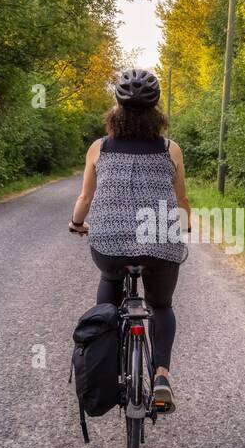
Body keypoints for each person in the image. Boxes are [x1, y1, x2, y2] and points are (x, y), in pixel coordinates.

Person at [69, 68, 190, 413]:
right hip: (160, 241)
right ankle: (161, 376)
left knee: (110, 279)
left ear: (116, 109)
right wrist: (185, 227)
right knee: (162, 306)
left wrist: (77, 223)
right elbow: (181, 203)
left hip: (108, 241)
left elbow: (85, 200)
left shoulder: (99, 148)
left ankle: (106, 358)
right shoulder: (170, 148)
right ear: (157, 111)